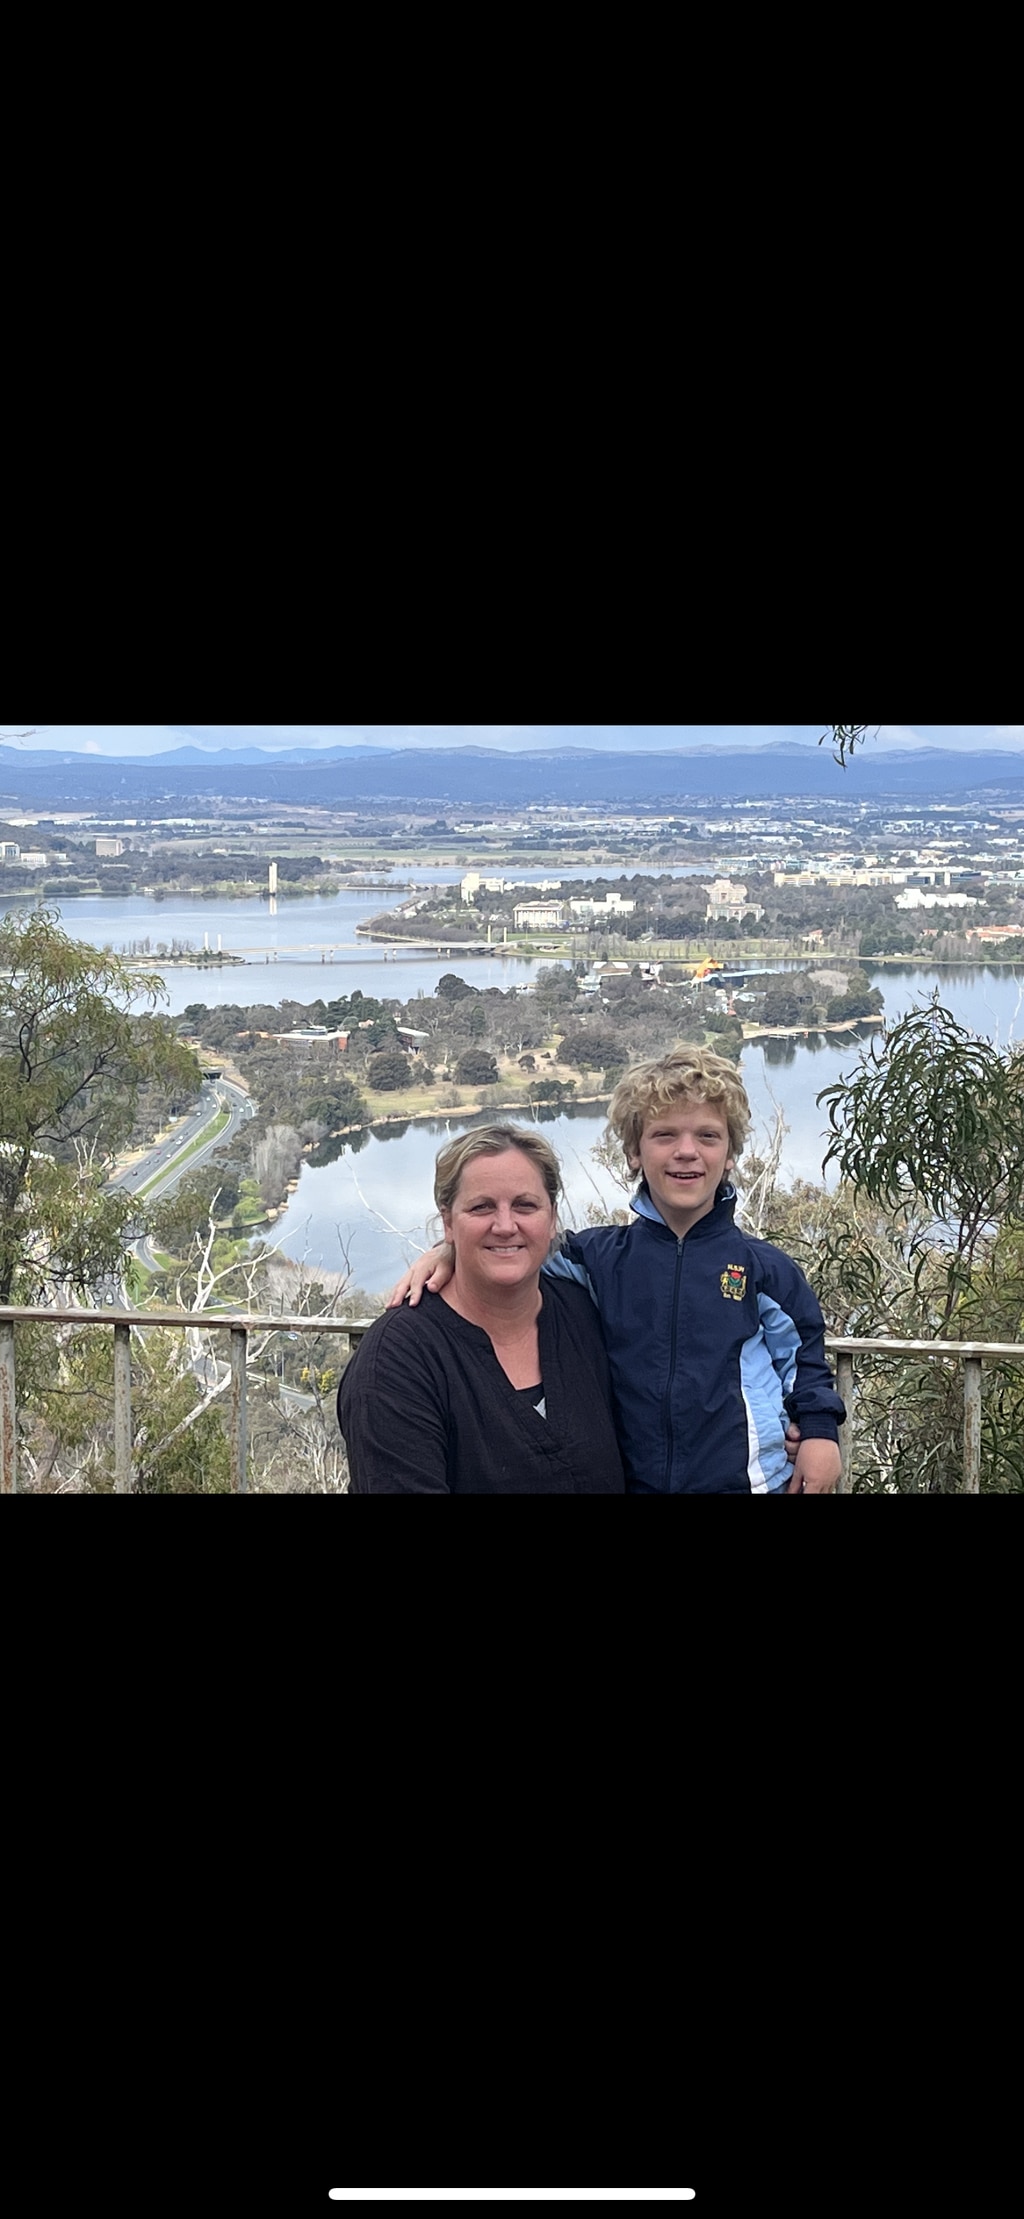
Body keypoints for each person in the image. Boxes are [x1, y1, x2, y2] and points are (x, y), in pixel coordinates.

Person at [389, 1048, 844, 1495]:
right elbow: (513, 1246)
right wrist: (447, 1253)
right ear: (633, 1152)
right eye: (665, 1135)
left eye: (707, 1136)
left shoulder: (764, 1268)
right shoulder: (597, 1258)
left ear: (729, 1155)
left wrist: (821, 1434)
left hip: (749, 1483)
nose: (687, 1152)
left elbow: (804, 1356)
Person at [337, 1124, 625, 1493]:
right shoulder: (398, 1361)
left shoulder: (584, 1312)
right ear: (448, 1222)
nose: (505, 1226)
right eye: (481, 1207)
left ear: (552, 1219)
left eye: (525, 1205)